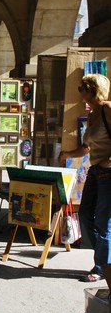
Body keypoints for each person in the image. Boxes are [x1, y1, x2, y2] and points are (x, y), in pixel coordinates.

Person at [58, 73, 111, 290]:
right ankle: (104, 259)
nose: (81, 95)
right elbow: (86, 147)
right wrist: (67, 154)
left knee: (104, 223)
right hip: (95, 170)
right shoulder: (92, 115)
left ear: (94, 89)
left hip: (109, 171)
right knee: (86, 214)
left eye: (84, 89)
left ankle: (101, 268)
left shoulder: (108, 109)